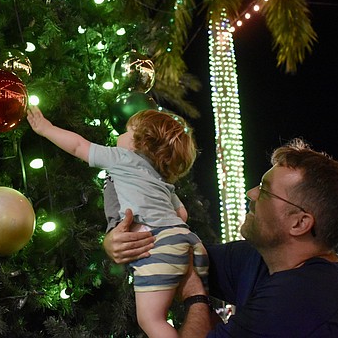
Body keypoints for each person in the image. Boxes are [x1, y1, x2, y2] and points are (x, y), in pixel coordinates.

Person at [104, 138, 338, 337]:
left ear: (299, 222)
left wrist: (196, 295)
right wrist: (117, 240)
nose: (251, 194)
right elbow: (173, 252)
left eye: (264, 191)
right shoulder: (259, 258)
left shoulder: (306, 297)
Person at [27, 106, 209, 338]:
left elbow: (79, 146)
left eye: (125, 131)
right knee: (191, 309)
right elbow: (182, 215)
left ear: (139, 142)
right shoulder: (160, 178)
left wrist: (46, 128)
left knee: (151, 320)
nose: (118, 136)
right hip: (188, 240)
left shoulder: (122, 157)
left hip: (156, 243)